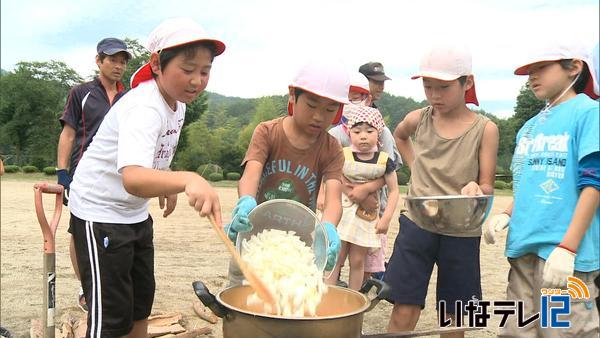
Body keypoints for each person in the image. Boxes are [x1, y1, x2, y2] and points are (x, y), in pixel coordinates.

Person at [68, 18, 225, 337]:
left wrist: (165, 178)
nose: (197, 80)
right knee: (111, 317)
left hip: (134, 214)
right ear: (156, 64)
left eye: (205, 71)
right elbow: (134, 179)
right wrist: (187, 179)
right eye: (188, 68)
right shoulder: (144, 106)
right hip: (100, 215)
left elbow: (154, 155)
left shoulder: (177, 105)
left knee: (140, 303)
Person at [483, 41, 599, 338]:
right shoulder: (530, 127)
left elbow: (594, 184)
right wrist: (506, 214)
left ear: (574, 67)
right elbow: (525, 182)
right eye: (529, 71)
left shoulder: (588, 114)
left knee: (560, 331)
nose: (532, 76)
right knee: (519, 330)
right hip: (523, 249)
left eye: (541, 68)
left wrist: (568, 247)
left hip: (564, 259)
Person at [385, 44, 499, 338]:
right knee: (404, 307)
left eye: (444, 87)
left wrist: (478, 188)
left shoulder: (485, 129)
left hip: (461, 230)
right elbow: (400, 136)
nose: (435, 95)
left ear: (467, 83)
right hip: (417, 223)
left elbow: (487, 183)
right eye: (428, 86)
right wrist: (415, 165)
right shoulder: (417, 118)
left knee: (454, 316)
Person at [225, 59, 349, 287]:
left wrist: (328, 228)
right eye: (311, 105)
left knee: (291, 303)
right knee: (241, 294)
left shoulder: (331, 148)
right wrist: (246, 201)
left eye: (330, 109)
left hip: (297, 247)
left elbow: (333, 199)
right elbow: (251, 173)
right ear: (293, 95)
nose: (319, 116)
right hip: (253, 238)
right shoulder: (267, 132)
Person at [56, 37, 131, 312]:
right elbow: (69, 132)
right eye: (113, 59)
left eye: (123, 61)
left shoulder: (130, 97)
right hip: (83, 174)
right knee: (78, 231)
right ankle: (85, 285)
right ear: (99, 61)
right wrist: (62, 172)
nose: (119, 66)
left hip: (120, 174)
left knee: (117, 229)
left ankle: (111, 284)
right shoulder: (81, 93)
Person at [326, 72, 401, 284]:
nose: (364, 135)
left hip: (368, 216)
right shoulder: (342, 152)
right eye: (358, 131)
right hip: (341, 211)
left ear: (378, 133)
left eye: (370, 131)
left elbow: (394, 189)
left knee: (359, 260)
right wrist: (342, 193)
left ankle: (354, 299)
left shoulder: (384, 159)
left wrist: (386, 218)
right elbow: (332, 176)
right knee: (337, 256)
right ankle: (329, 295)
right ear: (349, 134)